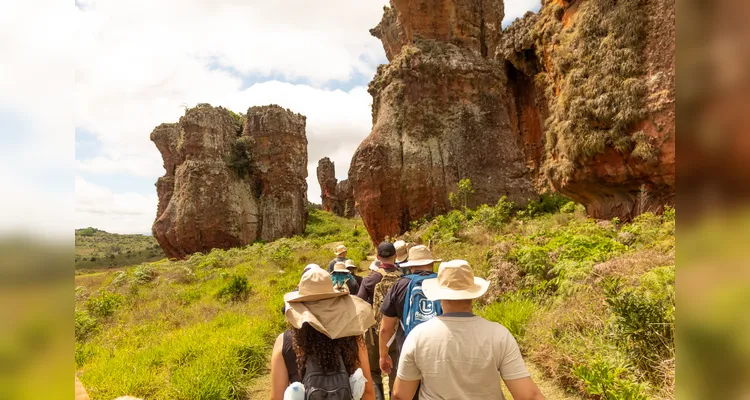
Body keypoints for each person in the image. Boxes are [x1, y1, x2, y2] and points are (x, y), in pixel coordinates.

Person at [392, 260, 545, 400]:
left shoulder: (418, 336)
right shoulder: (499, 335)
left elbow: (401, 395)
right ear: (473, 294)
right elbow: (529, 396)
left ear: (438, 295)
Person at [270, 267, 377, 400]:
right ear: (334, 302)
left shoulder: (284, 342)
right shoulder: (352, 335)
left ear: (300, 306)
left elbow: (277, 397)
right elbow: (367, 392)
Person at [378, 244, 443, 391]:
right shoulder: (443, 283)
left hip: (409, 349)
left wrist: (384, 355)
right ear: (432, 264)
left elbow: (385, 329)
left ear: (411, 266)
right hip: (440, 352)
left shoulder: (400, 285)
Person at [356, 242, 403, 400]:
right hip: (398, 332)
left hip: (374, 333)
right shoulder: (403, 278)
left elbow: (359, 302)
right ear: (395, 256)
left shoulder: (370, 279)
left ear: (377, 258)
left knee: (374, 371)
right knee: (395, 371)